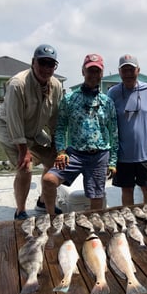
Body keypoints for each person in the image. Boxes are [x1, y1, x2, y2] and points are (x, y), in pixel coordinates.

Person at [42, 53, 118, 216]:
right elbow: (60, 127)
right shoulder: (69, 98)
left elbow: (114, 133)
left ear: (102, 74)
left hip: (99, 156)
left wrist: (113, 162)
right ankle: (51, 217)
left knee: (96, 197)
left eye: (97, 71)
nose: (93, 75)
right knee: (49, 180)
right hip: (73, 154)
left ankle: (94, 228)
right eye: (90, 71)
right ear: (83, 72)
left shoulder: (107, 102)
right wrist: (61, 151)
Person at [0, 44, 63, 220]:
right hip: (10, 130)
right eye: (42, 63)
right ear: (33, 62)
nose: (46, 68)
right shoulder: (18, 84)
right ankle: (21, 210)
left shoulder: (56, 85)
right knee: (26, 168)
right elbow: (14, 119)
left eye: (51, 64)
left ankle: (42, 201)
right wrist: (23, 151)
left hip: (34, 130)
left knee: (54, 161)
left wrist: (58, 144)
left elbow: (55, 117)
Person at [107, 54, 147, 206]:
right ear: (119, 72)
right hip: (123, 154)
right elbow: (108, 124)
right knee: (127, 190)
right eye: (124, 70)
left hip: (145, 152)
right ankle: (130, 222)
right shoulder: (113, 93)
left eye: (131, 70)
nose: (128, 74)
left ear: (138, 70)